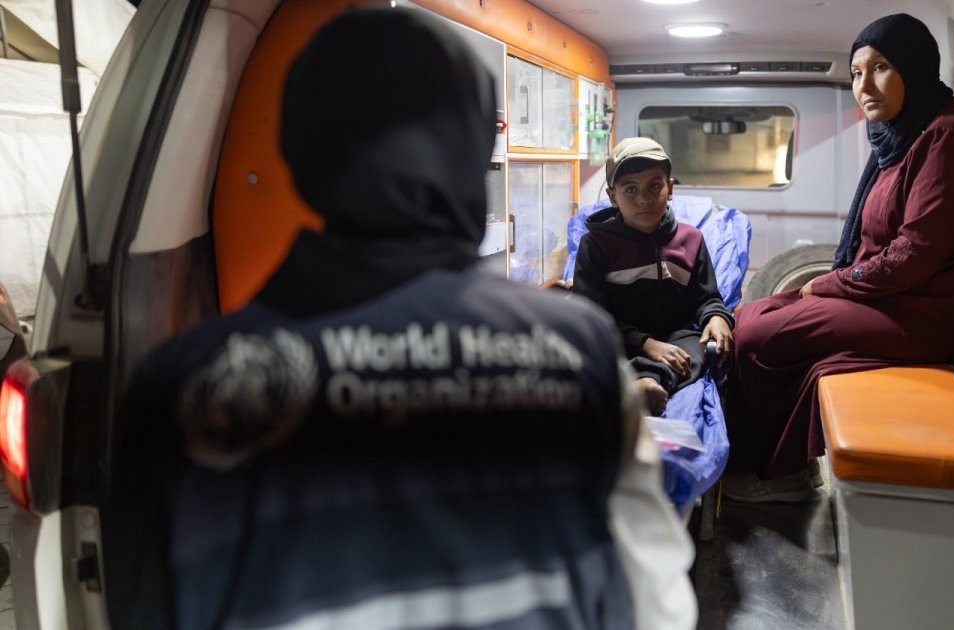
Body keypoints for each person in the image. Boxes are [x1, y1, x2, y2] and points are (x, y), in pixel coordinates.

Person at [100, 8, 696, 629]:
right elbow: (654, 600)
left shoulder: (181, 387)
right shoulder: (578, 348)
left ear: (296, 154)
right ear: (477, 153)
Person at [721, 13, 954, 503]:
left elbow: (912, 256)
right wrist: (832, 284)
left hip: (922, 312)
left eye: (880, 68)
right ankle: (770, 458)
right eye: (855, 73)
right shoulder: (900, 137)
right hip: (890, 298)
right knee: (747, 315)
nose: (864, 85)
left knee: (760, 337)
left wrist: (828, 284)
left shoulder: (949, 137)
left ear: (914, 67)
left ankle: (780, 472)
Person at [571, 137, 734, 416]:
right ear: (613, 196)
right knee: (588, 349)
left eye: (654, 186)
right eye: (630, 189)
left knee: (697, 351)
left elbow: (707, 298)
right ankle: (641, 380)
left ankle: (647, 382)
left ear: (670, 189)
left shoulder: (691, 239)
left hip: (676, 337)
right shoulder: (596, 245)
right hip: (620, 338)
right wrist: (644, 343)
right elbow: (590, 315)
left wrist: (716, 317)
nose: (644, 199)